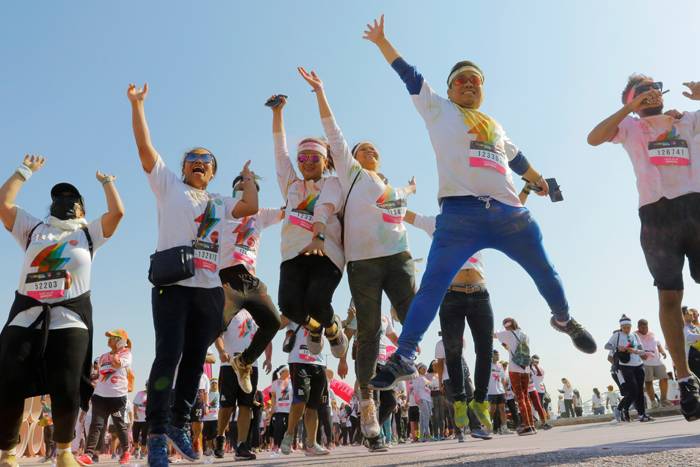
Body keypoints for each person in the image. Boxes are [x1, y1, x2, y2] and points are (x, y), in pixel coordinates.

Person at [364, 14, 596, 391]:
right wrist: (382, 42)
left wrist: (539, 182)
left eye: (476, 81)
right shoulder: (437, 108)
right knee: (433, 285)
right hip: (459, 215)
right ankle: (404, 355)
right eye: (461, 80)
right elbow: (409, 73)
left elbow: (518, 159)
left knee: (546, 272)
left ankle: (564, 319)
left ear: (483, 89)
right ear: (449, 88)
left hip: (509, 215)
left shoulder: (495, 125)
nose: (469, 85)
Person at [127, 83, 258, 467]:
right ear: (183, 168)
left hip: (209, 290)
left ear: (213, 172)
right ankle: (155, 434)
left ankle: (179, 424)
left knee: (196, 359)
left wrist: (248, 177)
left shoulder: (219, 201)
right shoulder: (169, 185)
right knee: (168, 355)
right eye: (192, 159)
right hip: (172, 285)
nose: (199, 163)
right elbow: (144, 151)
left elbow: (250, 205)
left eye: (207, 161)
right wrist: (138, 106)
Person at [299, 67, 417, 441]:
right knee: (368, 329)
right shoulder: (349, 174)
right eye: (365, 147)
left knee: (412, 313)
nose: (372, 151)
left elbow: (399, 198)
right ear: (352, 156)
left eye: (375, 149)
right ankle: (366, 400)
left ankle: (401, 360)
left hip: (398, 254)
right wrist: (320, 90)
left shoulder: (386, 185)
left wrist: (410, 190)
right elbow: (334, 131)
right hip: (364, 262)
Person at [588, 75, 700, 421]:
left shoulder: (687, 119)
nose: (650, 92)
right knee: (669, 296)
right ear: (631, 100)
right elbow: (593, 138)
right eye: (641, 91)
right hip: (656, 215)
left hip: (694, 206)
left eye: (655, 86)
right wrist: (629, 110)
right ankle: (685, 379)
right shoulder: (630, 128)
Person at [0, 154, 124, 467]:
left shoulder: (88, 233)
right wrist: (24, 171)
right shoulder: (33, 228)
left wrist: (108, 183)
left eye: (71, 198)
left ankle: (65, 450)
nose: (65, 202)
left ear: (82, 208)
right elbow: (3, 204)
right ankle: (7, 452)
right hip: (26, 316)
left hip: (70, 320)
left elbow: (117, 212)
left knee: (67, 386)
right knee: (9, 380)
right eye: (59, 197)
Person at [269, 94, 348, 362]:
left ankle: (333, 328)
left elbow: (325, 207)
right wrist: (277, 113)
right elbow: (281, 154)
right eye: (303, 158)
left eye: (315, 157)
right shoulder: (292, 185)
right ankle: (315, 326)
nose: (307, 163)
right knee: (289, 306)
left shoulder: (333, 183)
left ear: (325, 161)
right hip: (293, 254)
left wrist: (319, 236)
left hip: (326, 254)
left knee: (317, 300)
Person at [405, 210, 493, 435]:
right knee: (452, 350)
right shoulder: (436, 222)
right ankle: (461, 402)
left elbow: (508, 215)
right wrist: (381, 195)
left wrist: (528, 188)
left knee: (485, 348)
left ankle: (480, 400)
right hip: (451, 294)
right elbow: (407, 215)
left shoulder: (478, 218)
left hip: (479, 292)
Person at [217, 174, 283, 396]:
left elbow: (288, 210)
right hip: (227, 277)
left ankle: (244, 362)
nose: (245, 190)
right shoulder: (224, 208)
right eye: (240, 187)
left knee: (272, 322)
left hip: (250, 279)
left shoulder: (261, 214)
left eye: (250, 188)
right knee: (214, 327)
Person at [214, 308, 272, 461]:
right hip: (230, 365)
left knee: (246, 405)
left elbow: (266, 336)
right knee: (227, 406)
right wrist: (221, 351)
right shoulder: (228, 310)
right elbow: (217, 335)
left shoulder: (256, 312)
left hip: (250, 365)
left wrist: (268, 357)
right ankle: (220, 437)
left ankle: (241, 446)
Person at [78, 330, 133, 465]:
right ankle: (88, 455)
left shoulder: (126, 354)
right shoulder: (102, 356)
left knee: (120, 425)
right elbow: (99, 374)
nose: (108, 340)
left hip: (117, 398)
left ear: (120, 340)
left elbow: (116, 364)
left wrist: (119, 349)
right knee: (96, 425)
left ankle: (126, 452)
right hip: (100, 397)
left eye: (112, 338)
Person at [279, 318, 330, 456]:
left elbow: (333, 329)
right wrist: (289, 313)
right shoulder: (293, 307)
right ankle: (289, 435)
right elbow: (278, 325)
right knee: (300, 401)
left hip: (318, 362)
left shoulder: (321, 308)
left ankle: (311, 444)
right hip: (298, 359)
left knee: (313, 406)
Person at [605, 315, 651, 422]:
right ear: (621, 327)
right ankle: (620, 408)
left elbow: (640, 349)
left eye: (629, 326)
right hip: (625, 366)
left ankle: (642, 414)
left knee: (640, 390)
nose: (627, 329)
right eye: (625, 327)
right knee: (633, 390)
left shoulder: (634, 335)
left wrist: (637, 351)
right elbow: (606, 346)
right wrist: (618, 347)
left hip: (638, 364)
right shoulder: (617, 335)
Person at [495, 318, 536, 435]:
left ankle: (527, 427)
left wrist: (501, 330)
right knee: (526, 397)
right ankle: (532, 425)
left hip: (514, 369)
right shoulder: (524, 335)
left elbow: (492, 335)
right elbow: (515, 349)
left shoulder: (507, 334)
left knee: (520, 397)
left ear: (507, 325)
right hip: (525, 368)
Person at [635, 319, 670, 408]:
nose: (644, 329)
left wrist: (662, 352)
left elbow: (658, 344)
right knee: (648, 381)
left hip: (657, 361)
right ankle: (653, 402)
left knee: (664, 378)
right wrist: (640, 354)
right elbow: (632, 347)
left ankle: (664, 400)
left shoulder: (652, 333)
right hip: (645, 362)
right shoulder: (634, 335)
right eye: (641, 327)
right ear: (638, 327)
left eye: (645, 327)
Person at [270, 366, 292, 453]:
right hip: (279, 409)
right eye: (287, 371)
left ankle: (288, 446)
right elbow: (273, 397)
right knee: (278, 427)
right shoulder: (276, 383)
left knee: (288, 428)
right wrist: (272, 408)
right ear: (282, 372)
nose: (289, 372)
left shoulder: (292, 382)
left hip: (290, 409)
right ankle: (276, 445)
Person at [487, 351, 510, 435]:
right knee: (492, 410)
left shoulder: (500, 365)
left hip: (500, 391)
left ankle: (504, 428)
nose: (498, 356)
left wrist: (505, 390)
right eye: (496, 355)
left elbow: (503, 379)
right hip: (491, 391)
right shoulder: (488, 365)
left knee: (502, 410)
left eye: (498, 354)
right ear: (492, 355)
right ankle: (488, 427)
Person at [202, 378, 220, 456]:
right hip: (207, 418)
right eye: (212, 383)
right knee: (208, 436)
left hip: (216, 418)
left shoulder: (220, 394)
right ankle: (209, 449)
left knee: (216, 435)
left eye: (215, 383)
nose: (214, 385)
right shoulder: (207, 394)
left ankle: (216, 449)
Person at [682, 306, 700, 377]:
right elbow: (689, 338)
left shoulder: (691, 327)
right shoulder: (683, 327)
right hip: (691, 357)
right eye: (687, 313)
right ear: (683, 316)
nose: (691, 313)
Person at [132, 384, 148, 460]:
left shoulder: (154, 395)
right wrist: (135, 414)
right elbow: (135, 404)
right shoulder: (140, 393)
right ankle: (136, 449)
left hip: (147, 419)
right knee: (135, 436)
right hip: (138, 419)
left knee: (144, 436)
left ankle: (142, 452)